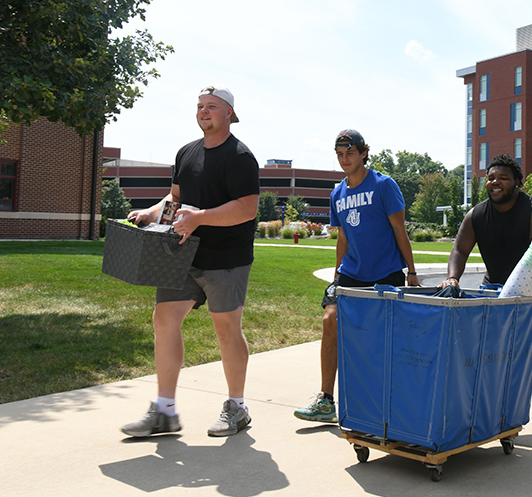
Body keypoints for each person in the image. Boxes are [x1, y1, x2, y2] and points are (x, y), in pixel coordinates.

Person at [121, 86, 260, 438]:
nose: (204, 111)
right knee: (164, 319)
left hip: (225, 257)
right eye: (200, 106)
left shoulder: (240, 157)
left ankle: (237, 407)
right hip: (181, 253)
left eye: (212, 106)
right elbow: (176, 197)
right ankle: (164, 411)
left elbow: (247, 208)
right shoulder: (186, 152)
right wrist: (151, 213)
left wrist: (200, 217)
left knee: (226, 328)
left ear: (229, 112)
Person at [293, 129, 419, 423]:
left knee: (380, 338)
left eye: (349, 153)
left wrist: (410, 271)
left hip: (385, 273)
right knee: (330, 320)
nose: (344, 159)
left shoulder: (384, 185)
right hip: (351, 272)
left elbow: (400, 230)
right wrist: (337, 276)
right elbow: (343, 238)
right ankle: (326, 401)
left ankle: (386, 401)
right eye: (339, 154)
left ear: (363, 153)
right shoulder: (337, 193)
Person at [440, 153, 532, 424]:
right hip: (498, 291)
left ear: (518, 182)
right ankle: (493, 405)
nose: (495, 182)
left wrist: (528, 291)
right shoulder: (477, 214)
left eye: (503, 178)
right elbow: (460, 249)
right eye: (491, 178)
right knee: (493, 351)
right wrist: (452, 278)